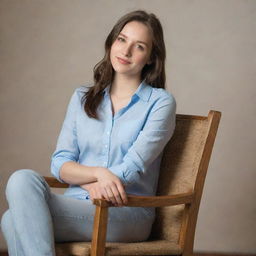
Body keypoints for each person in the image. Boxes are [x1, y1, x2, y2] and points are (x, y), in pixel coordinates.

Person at [1, 10, 176, 256]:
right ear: (112, 41)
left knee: (12, 219)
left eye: (139, 47)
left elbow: (131, 167)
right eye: (122, 40)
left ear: (150, 58)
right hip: (78, 205)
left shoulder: (160, 103)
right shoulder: (82, 98)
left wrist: (90, 182)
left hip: (125, 211)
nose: (125, 52)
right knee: (21, 180)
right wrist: (96, 176)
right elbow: (60, 163)